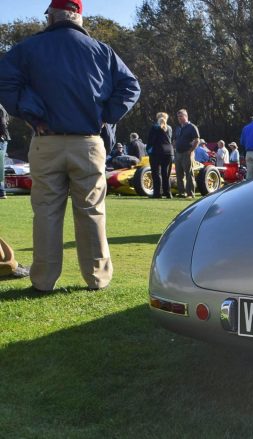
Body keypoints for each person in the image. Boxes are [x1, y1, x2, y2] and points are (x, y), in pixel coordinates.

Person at [0, 0, 140, 292]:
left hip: (46, 141)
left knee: (47, 213)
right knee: (91, 211)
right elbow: (131, 87)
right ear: (78, 16)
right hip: (88, 142)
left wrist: (28, 113)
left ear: (51, 16)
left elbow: (5, 82)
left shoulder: (28, 49)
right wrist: (106, 117)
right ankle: (97, 279)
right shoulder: (102, 50)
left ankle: (43, 281)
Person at [173, 109, 199, 198]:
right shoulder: (178, 128)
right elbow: (175, 139)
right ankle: (181, 193)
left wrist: (191, 150)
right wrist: (174, 147)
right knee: (179, 174)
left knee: (189, 173)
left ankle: (190, 193)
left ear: (186, 116)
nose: (179, 118)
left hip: (187, 153)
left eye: (181, 116)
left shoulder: (192, 127)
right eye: (178, 117)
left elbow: (197, 140)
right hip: (178, 153)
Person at [146, 112, 173, 199]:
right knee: (166, 174)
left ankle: (157, 193)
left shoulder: (154, 128)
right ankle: (168, 192)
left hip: (157, 152)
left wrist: (148, 150)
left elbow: (151, 140)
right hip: (169, 152)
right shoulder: (169, 128)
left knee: (156, 173)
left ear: (157, 118)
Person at [0, 102, 9, 199]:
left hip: (1, 140)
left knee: (0, 167)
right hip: (3, 139)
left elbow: (2, 123)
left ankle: (1, 192)